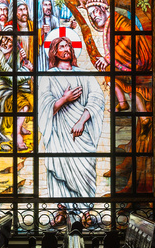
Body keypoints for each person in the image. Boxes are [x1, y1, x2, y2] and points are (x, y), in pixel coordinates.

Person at [38, 35, 105, 226]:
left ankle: (84, 211)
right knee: (58, 168)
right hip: (58, 134)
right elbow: (43, 107)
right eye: (61, 46)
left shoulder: (83, 74)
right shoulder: (48, 76)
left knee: (85, 169)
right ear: (54, 52)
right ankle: (62, 210)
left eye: (68, 45)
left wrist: (82, 120)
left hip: (81, 135)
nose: (66, 48)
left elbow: (97, 98)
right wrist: (64, 99)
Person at [82, 0, 152, 112]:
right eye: (91, 14)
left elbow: (130, 39)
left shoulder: (120, 21)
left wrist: (108, 58)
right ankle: (124, 104)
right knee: (109, 72)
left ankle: (132, 109)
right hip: (128, 59)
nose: (94, 16)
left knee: (113, 72)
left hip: (139, 60)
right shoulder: (110, 21)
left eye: (95, 11)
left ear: (103, 8)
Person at [0, 34, 33, 150]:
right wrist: (27, 70)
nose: (6, 43)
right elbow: (12, 79)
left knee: (31, 99)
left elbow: (19, 82)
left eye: (10, 41)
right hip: (0, 94)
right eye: (4, 38)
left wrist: (22, 63)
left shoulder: (13, 56)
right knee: (24, 105)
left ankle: (19, 125)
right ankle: (16, 134)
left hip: (10, 91)